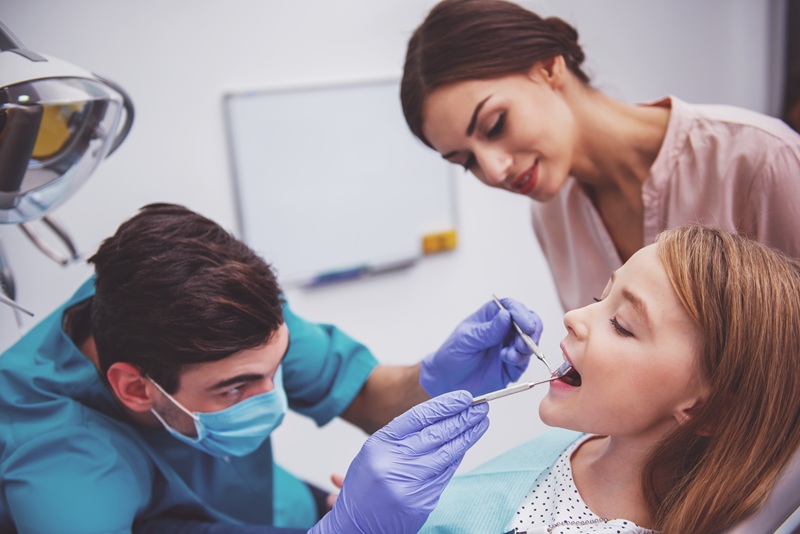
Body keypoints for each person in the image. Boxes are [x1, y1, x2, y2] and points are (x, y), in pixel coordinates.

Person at [0, 202, 544, 533]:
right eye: (235, 388)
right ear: (136, 389)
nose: (271, 403)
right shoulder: (56, 461)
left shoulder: (219, 310)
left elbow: (365, 395)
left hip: (285, 510)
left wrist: (436, 381)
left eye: (275, 370)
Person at [400, 0, 800, 312]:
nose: (493, 169)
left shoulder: (759, 159)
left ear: (548, 69)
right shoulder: (552, 214)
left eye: (495, 125)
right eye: (465, 162)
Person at [417, 225, 800, 533]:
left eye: (621, 325)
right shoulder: (571, 445)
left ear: (710, 412)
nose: (574, 316)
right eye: (603, 297)